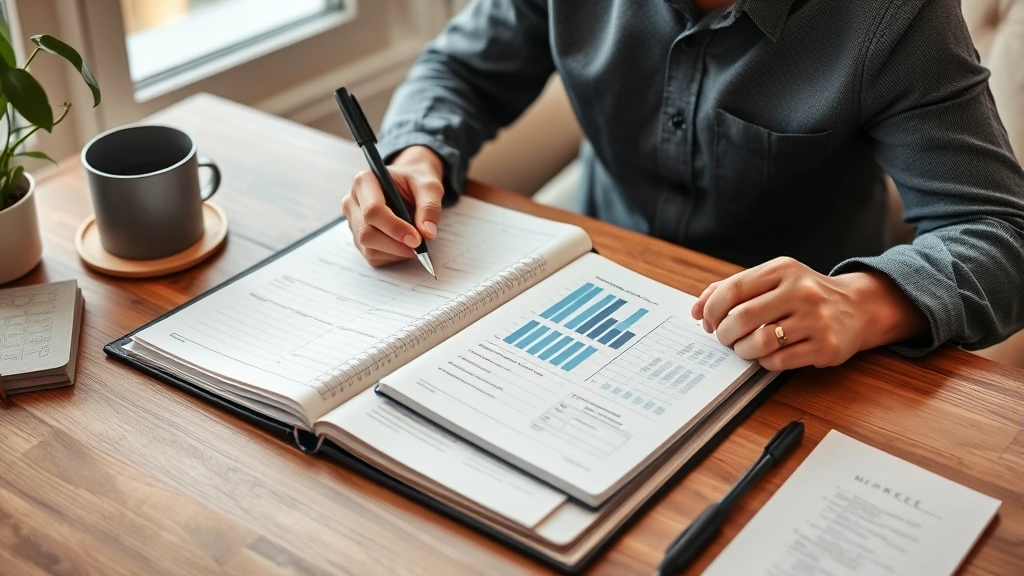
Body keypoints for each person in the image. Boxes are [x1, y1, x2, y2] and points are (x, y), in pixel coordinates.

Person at [340, 0, 1024, 371]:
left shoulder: (897, 14)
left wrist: (861, 302)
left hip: (793, 349)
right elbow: (459, 71)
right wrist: (416, 156)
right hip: (593, 286)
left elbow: (1002, 234)